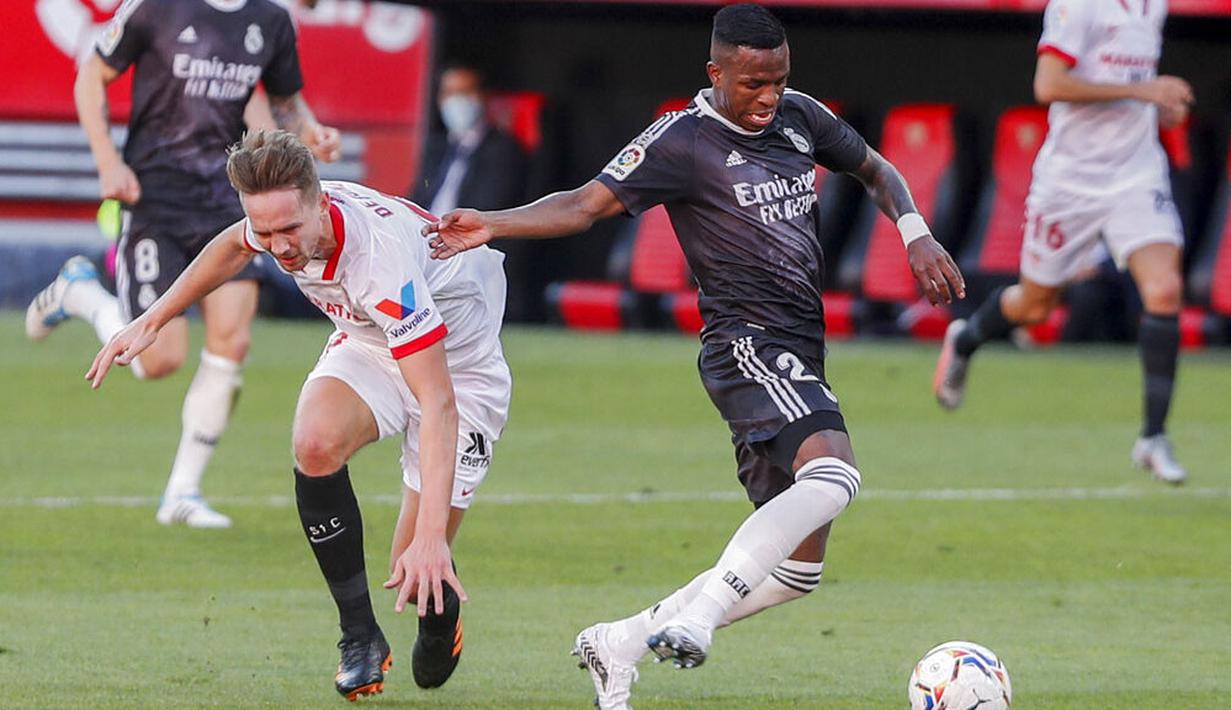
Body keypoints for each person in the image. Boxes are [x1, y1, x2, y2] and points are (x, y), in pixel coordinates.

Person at [422, 5, 964, 708]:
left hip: (800, 349)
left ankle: (618, 642)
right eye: (752, 82)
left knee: (795, 572)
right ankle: (696, 624)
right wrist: (493, 221)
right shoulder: (680, 141)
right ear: (715, 73)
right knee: (834, 474)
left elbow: (875, 168)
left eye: (778, 79)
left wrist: (915, 232)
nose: (767, 96)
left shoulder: (800, 116)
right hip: (746, 344)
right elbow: (585, 205)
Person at [87, 129, 511, 699]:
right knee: (313, 442)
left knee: (415, 567)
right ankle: (359, 636)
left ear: (322, 204)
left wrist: (433, 536)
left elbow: (437, 402)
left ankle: (442, 618)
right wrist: (153, 318)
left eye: (289, 230)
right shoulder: (276, 220)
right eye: (266, 231)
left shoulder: (378, 263)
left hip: (459, 365)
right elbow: (233, 246)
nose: (280, 246)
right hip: (371, 341)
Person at [25, 0, 342, 529]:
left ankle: (182, 492)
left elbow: (284, 105)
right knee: (158, 359)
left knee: (233, 341)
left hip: (226, 203)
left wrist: (312, 132)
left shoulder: (271, 21)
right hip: (156, 200)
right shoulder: (156, 7)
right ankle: (81, 292)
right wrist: (108, 160)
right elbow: (91, 76)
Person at [933, 0, 1193, 483]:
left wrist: (1158, 108)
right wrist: (1144, 89)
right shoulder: (1078, 5)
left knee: (1164, 291)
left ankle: (1153, 436)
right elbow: (1049, 84)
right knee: (1035, 306)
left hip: (1137, 173)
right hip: (1070, 183)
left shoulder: (1153, 5)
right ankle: (966, 339)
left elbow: (1134, 88)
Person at [412, 63, 542, 322]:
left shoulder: (504, 148)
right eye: (449, 93)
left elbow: (490, 204)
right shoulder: (437, 147)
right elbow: (417, 197)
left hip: (468, 247)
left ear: (482, 96)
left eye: (465, 92)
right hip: (425, 242)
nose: (456, 101)